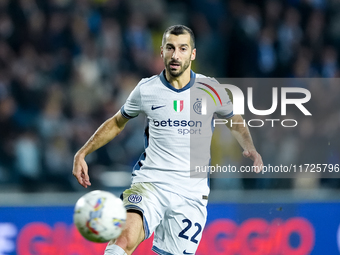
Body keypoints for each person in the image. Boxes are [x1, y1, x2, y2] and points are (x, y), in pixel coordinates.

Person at [72, 25, 263, 255]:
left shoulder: (211, 89)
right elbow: (116, 122)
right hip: (151, 184)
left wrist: (250, 148)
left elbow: (235, 120)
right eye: (170, 48)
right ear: (161, 51)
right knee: (122, 240)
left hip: (191, 194)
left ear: (192, 54)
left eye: (183, 48)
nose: (175, 54)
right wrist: (82, 152)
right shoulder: (146, 89)